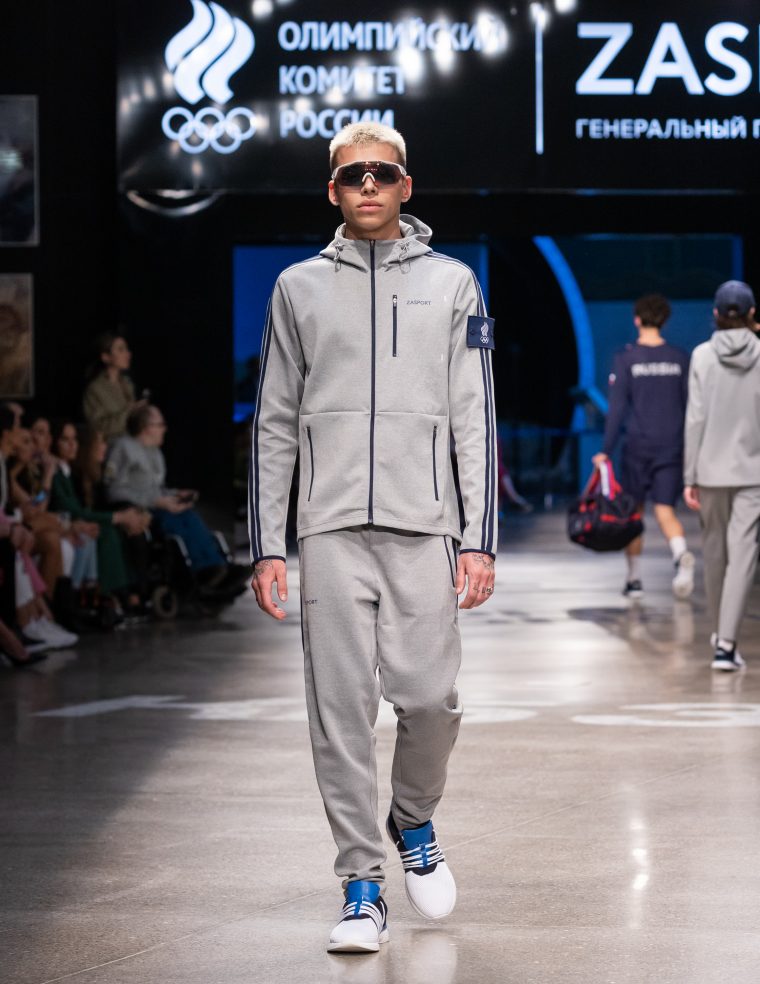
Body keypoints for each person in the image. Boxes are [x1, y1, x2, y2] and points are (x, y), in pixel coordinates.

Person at [248, 121, 497, 953]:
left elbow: (475, 416)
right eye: (352, 174)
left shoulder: (454, 284)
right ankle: (361, 885)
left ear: (404, 186)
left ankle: (412, 816)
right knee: (339, 714)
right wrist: (268, 542)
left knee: (430, 699)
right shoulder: (297, 288)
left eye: (382, 174)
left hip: (424, 526)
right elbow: (273, 421)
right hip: (328, 530)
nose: (367, 185)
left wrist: (478, 537)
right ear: (332, 189)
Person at [593, 294, 694, 600]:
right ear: (665, 320)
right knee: (665, 510)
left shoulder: (626, 358)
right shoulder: (680, 358)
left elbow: (617, 410)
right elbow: (691, 407)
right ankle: (680, 555)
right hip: (672, 446)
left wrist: (606, 450)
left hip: (637, 448)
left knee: (634, 515)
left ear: (637, 319)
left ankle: (634, 580)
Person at [684, 280, 760, 671]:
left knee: (714, 554)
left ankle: (721, 637)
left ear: (715, 314)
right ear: (751, 314)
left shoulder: (702, 356)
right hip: (753, 471)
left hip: (710, 469)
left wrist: (689, 475)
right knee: (743, 556)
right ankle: (726, 643)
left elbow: (695, 418)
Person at [105, 404, 249, 591]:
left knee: (190, 516)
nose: (164, 429)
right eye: (160, 424)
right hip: (138, 509)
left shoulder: (154, 452)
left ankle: (220, 567)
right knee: (175, 520)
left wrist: (175, 494)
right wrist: (156, 501)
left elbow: (155, 488)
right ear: (146, 427)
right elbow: (113, 489)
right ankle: (204, 570)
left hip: (158, 505)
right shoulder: (123, 447)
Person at [83, 332, 144, 442]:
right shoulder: (95, 389)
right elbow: (98, 427)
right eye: (121, 349)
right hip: (112, 445)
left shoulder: (127, 384)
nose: (128, 354)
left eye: (126, 349)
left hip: (132, 442)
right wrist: (129, 411)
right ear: (106, 357)